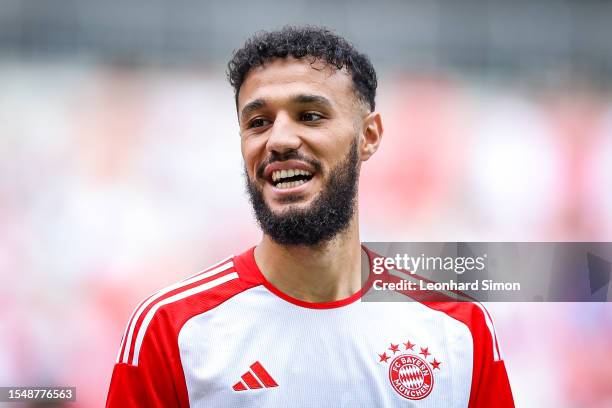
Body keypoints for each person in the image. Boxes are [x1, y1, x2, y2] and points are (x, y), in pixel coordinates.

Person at [106, 25, 514, 407]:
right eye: (258, 122)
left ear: (368, 137)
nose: (279, 140)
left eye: (310, 116)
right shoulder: (171, 331)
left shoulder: (458, 332)